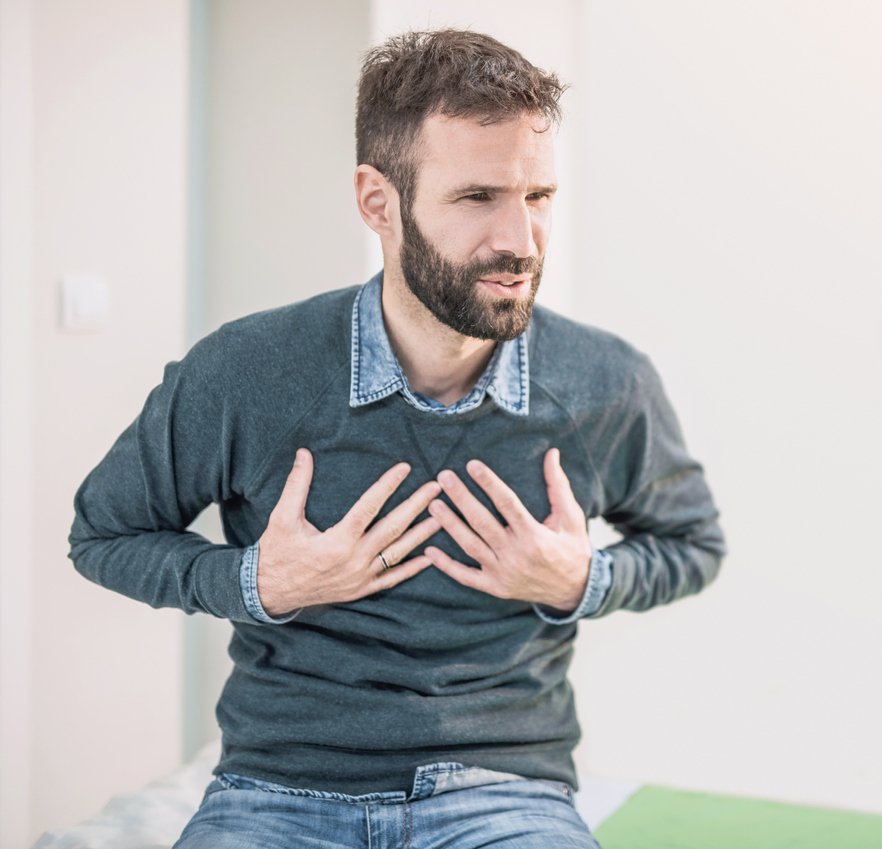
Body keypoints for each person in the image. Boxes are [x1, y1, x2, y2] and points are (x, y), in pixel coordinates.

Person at [69, 29, 724, 848]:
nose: (520, 241)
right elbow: (101, 533)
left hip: (505, 794)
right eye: (478, 197)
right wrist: (255, 581)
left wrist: (582, 577)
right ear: (379, 202)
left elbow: (694, 542)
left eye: (539, 197)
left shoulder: (605, 381)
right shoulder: (245, 370)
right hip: (277, 788)